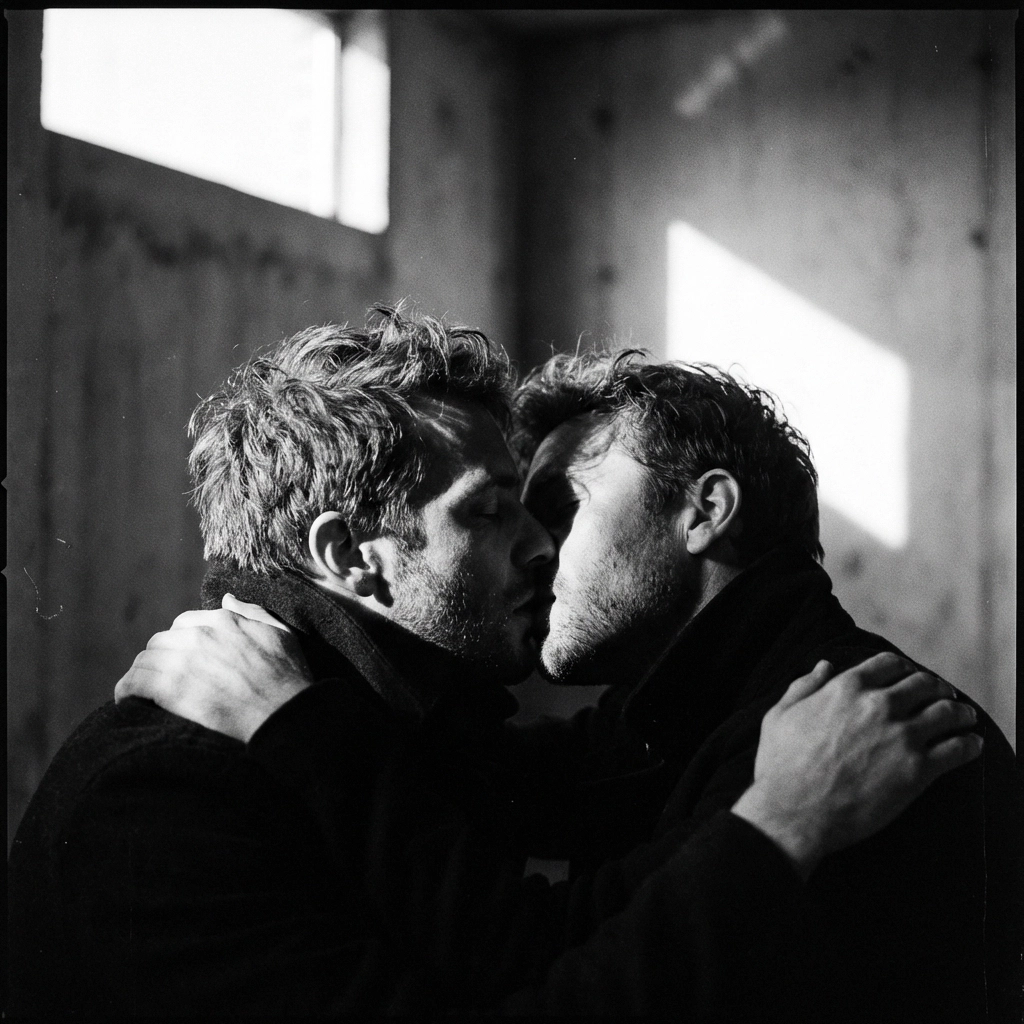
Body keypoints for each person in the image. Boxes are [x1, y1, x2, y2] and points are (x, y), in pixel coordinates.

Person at [9, 310, 986, 1018]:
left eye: (559, 507)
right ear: (350, 554)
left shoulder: (846, 725)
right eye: (492, 510)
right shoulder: (167, 794)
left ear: (707, 511)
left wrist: (780, 824)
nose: (538, 547)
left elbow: (547, 933)